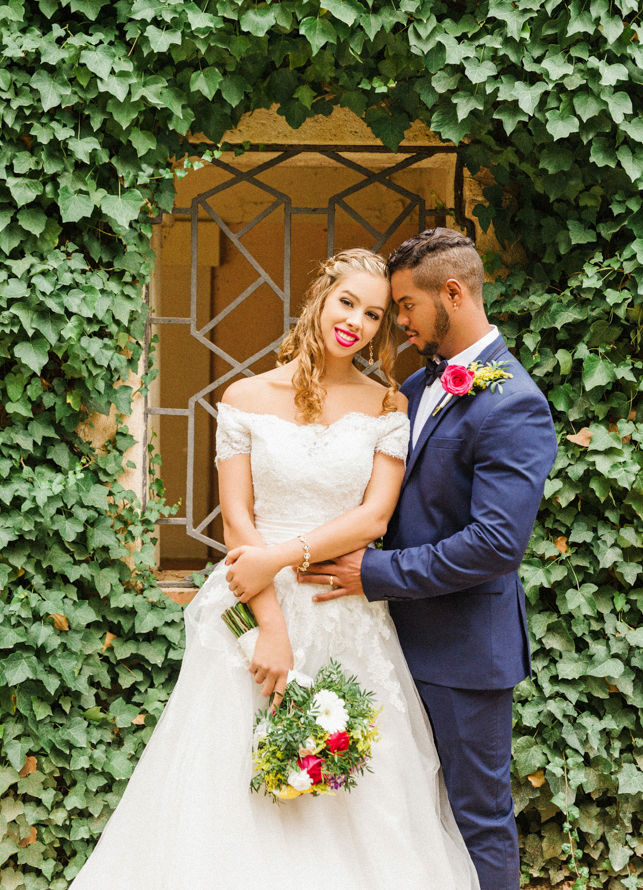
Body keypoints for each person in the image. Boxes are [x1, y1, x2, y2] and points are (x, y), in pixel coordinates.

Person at [69, 248, 479, 890]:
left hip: (341, 607)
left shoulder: (385, 406)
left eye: (374, 314)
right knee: (230, 794)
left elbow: (373, 519)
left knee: (356, 792)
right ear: (320, 296)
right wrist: (271, 628)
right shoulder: (245, 396)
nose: (358, 322)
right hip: (251, 607)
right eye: (348, 302)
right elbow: (238, 525)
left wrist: (283, 559)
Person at [289, 229, 559, 890]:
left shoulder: (515, 405)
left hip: (463, 655)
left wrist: (372, 574)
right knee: (399, 818)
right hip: (385, 643)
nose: (397, 321)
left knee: (475, 817)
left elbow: (495, 544)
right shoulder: (415, 383)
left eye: (404, 306)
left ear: (453, 292)